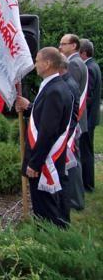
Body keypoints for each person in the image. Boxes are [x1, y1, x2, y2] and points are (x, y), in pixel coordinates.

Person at [16, 47, 73, 228]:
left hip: (43, 162)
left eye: (37, 60)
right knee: (50, 207)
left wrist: (35, 162)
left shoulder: (54, 90)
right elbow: (46, 117)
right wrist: (31, 107)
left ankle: (50, 245)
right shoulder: (55, 86)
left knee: (45, 211)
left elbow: (48, 132)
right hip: (46, 159)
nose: (35, 64)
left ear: (47, 64)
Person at [59, 33, 88, 210]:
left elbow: (71, 94)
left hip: (73, 121)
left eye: (64, 44)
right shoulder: (77, 62)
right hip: (75, 120)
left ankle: (76, 200)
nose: (60, 46)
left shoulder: (74, 64)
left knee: (73, 162)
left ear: (74, 46)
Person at [79, 39, 102, 192]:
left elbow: (88, 97)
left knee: (86, 151)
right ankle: (87, 182)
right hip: (91, 117)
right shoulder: (93, 66)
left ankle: (87, 185)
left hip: (87, 118)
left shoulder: (89, 68)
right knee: (86, 150)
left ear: (84, 53)